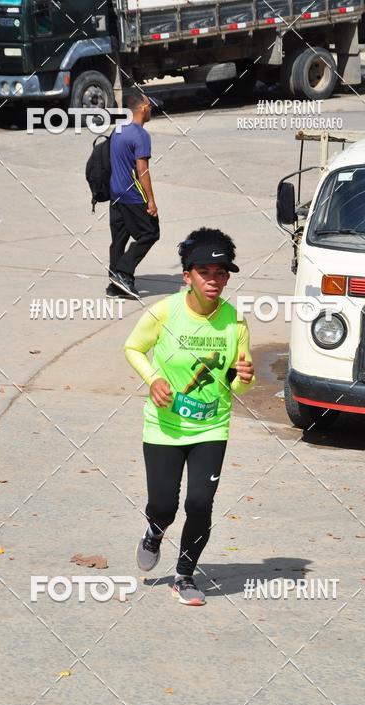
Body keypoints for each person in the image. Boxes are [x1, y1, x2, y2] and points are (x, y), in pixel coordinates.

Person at [123, 227, 255, 606]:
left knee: (199, 503)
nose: (213, 280)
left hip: (211, 427)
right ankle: (154, 531)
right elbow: (133, 347)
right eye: (204, 272)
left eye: (221, 273)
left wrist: (245, 379)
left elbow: (236, 383)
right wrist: (153, 379)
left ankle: (184, 575)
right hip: (164, 427)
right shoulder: (165, 311)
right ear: (187, 276)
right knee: (164, 506)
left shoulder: (235, 322)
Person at [107, 92, 159, 301]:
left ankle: (114, 286)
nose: (152, 110)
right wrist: (151, 200)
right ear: (143, 108)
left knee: (119, 239)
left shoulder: (118, 130)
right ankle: (123, 273)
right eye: (151, 106)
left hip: (115, 194)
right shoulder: (141, 135)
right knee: (151, 233)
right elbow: (142, 170)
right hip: (133, 195)